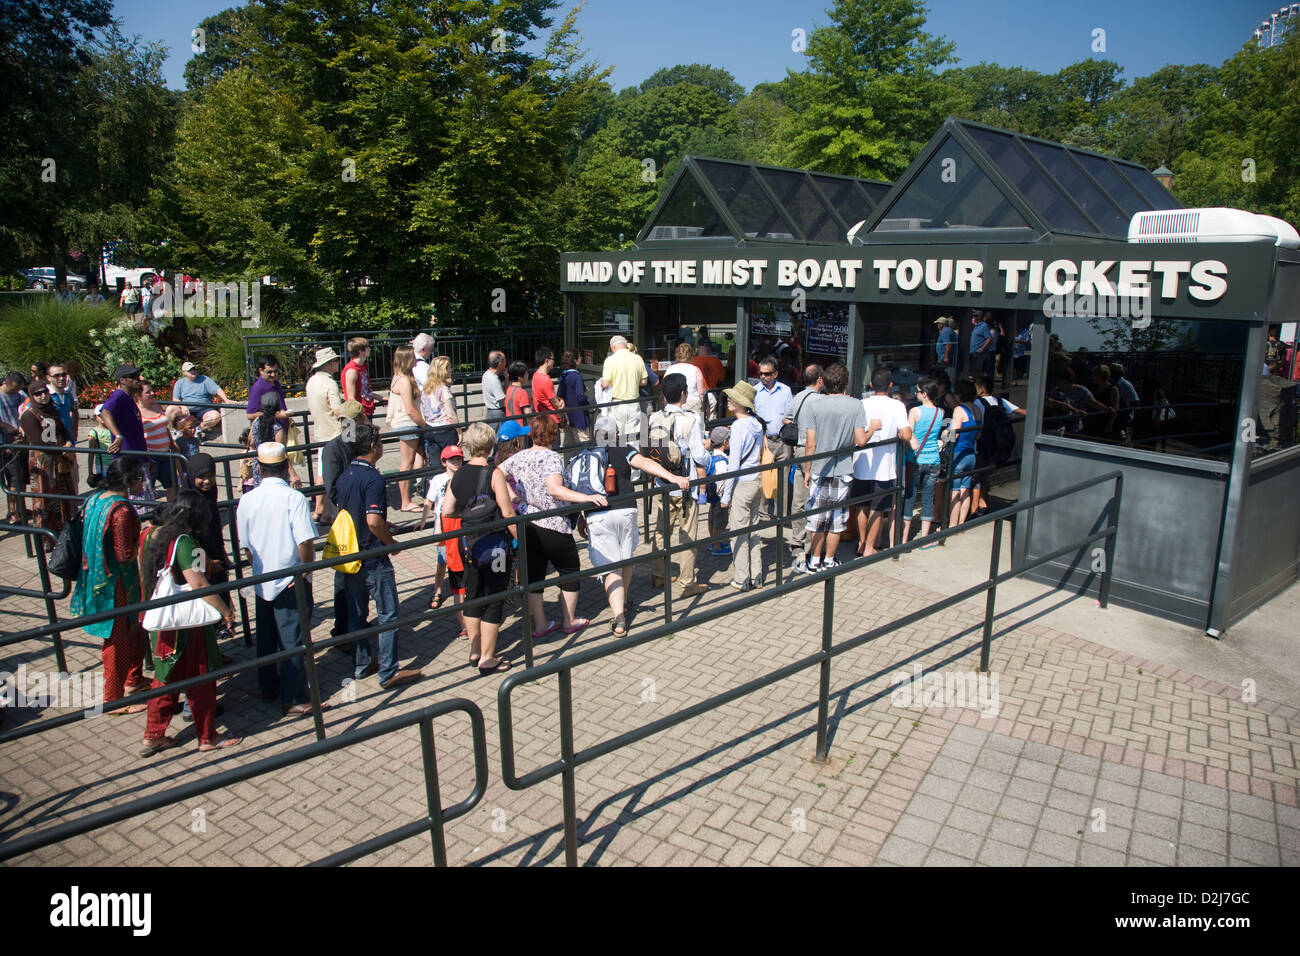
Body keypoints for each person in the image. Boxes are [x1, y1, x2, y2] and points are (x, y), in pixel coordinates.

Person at [138, 491, 241, 757]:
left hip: (163, 622)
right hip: (188, 626)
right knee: (201, 678)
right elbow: (199, 584)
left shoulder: (151, 535)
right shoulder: (186, 542)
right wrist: (226, 611)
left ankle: (153, 736)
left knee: (165, 679)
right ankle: (207, 736)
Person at [583, 416, 689, 636]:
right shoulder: (623, 449)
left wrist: (578, 518)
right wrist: (672, 477)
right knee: (626, 559)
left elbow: (577, 487)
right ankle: (622, 602)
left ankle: (619, 617)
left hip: (598, 515)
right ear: (616, 435)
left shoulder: (585, 455)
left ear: (595, 435)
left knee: (611, 567)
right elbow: (645, 463)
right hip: (626, 511)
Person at [336, 424, 423, 690]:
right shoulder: (373, 478)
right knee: (388, 614)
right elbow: (373, 520)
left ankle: (362, 664)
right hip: (373, 555)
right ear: (374, 446)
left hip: (350, 555)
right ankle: (388, 672)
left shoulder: (345, 474)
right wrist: (391, 543)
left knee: (357, 613)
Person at [235, 442, 319, 715]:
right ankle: (294, 697)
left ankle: (268, 687)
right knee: (293, 638)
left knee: (267, 638)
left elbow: (246, 547)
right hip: (291, 577)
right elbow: (305, 542)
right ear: (285, 467)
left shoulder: (247, 499)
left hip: (262, 578)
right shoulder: (294, 498)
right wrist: (305, 571)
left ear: (259, 468)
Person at [499, 413, 597, 636]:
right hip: (553, 523)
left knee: (534, 575)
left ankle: (541, 624)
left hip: (527, 522)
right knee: (570, 569)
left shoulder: (520, 456)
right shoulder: (552, 457)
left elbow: (497, 473)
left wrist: (514, 497)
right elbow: (554, 489)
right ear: (553, 434)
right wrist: (587, 498)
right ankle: (569, 620)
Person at [71, 458, 150, 713]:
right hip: (117, 583)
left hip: (95, 577)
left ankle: (133, 680)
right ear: (128, 481)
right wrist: (145, 537)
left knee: (131, 632)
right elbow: (125, 554)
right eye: (140, 477)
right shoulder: (123, 511)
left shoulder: (96, 498)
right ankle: (113, 700)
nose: (144, 482)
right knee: (117, 639)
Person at [442, 422, 519, 674]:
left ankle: (475, 650)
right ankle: (488, 657)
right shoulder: (493, 473)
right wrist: (522, 542)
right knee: (495, 597)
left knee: (473, 595)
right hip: (495, 546)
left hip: (470, 545)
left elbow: (447, 510)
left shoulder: (459, 474)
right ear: (489, 445)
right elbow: (508, 513)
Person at [644, 373, 710, 597]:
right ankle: (687, 583)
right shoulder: (690, 421)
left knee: (661, 531)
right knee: (688, 534)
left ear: (663, 395)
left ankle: (658, 575)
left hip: (662, 481)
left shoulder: (653, 418)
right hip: (685, 484)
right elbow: (700, 457)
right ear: (684, 394)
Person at [801, 363, 870, 573]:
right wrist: (873, 429)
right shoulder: (856, 405)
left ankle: (814, 560)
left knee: (817, 518)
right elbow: (860, 440)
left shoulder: (814, 406)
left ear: (825, 382)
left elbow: (810, 443)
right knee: (836, 519)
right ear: (844, 383)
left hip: (819, 468)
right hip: (843, 468)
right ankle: (830, 560)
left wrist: (807, 468)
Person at [852, 368, 912, 557]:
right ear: (891, 385)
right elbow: (907, 434)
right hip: (885, 466)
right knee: (878, 507)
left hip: (860, 462)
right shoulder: (897, 406)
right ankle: (869, 546)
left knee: (861, 505)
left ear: (871, 385)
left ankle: (861, 542)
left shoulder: (861, 403)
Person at [717, 381, 766, 590]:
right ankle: (757, 576)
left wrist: (726, 496)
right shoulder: (756, 423)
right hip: (757, 481)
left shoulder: (738, 427)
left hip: (743, 484)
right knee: (754, 531)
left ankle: (741, 578)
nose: (728, 400)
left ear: (741, 403)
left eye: (732, 398)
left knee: (738, 532)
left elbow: (734, 464)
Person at [19, 379, 75, 539]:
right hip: (44, 461)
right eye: (38, 394)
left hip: (60, 458)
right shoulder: (29, 415)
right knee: (46, 498)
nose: (43, 396)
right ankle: (46, 538)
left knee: (64, 495)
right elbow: (38, 441)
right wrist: (61, 451)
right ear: (32, 396)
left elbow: (62, 429)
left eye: (45, 392)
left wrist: (68, 442)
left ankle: (66, 532)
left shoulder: (52, 410)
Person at [784, 364, 824, 568]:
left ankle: (796, 540)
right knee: (814, 498)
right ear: (819, 380)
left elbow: (785, 418)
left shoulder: (798, 397)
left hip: (799, 450)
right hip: (814, 451)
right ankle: (811, 543)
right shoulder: (823, 401)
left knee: (799, 498)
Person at [418, 444, 464, 610]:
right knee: (442, 560)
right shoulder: (438, 480)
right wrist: (424, 520)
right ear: (444, 462)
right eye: (452, 459)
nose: (456, 461)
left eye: (459, 458)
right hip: (443, 526)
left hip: (460, 524)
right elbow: (429, 501)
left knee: (460, 557)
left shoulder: (465, 476)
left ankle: (460, 589)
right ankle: (437, 590)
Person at [386, 344, 428, 513]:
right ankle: (405, 501)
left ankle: (408, 499)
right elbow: (410, 409)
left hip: (404, 423)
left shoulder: (399, 376)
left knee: (409, 463)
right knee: (407, 464)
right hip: (407, 423)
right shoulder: (404, 381)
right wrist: (426, 426)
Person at [305, 347, 345, 521]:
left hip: (320, 431)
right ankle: (329, 511)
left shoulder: (311, 381)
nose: (338, 363)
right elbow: (338, 410)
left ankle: (321, 509)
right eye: (335, 361)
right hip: (334, 433)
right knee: (334, 473)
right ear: (329, 364)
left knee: (322, 471)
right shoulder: (330, 383)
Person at [902, 380, 945, 543]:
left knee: (910, 496)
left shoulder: (914, 411)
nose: (915, 393)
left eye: (918, 391)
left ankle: (905, 538)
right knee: (928, 497)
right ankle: (924, 538)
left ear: (925, 394)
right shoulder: (940, 412)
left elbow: (908, 434)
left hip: (915, 458)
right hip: (934, 458)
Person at [182, 453, 232, 589]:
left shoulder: (210, 493)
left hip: (213, 550)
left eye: (210, 476)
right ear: (192, 476)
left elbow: (215, 525)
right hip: (197, 556)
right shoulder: (187, 501)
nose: (207, 481)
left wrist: (222, 552)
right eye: (201, 477)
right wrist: (208, 563)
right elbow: (188, 538)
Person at [754, 357, 793, 518]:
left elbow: (791, 415)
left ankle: (780, 514)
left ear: (775, 374)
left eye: (767, 374)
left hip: (783, 440)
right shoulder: (755, 391)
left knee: (782, 480)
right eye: (761, 374)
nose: (763, 377)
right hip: (765, 440)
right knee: (764, 477)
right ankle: (763, 514)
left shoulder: (785, 391)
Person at [947, 379, 982, 529]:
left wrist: (945, 433)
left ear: (959, 394)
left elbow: (954, 435)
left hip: (958, 453)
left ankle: (952, 525)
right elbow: (979, 435)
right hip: (971, 453)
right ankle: (961, 523)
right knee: (965, 488)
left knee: (954, 490)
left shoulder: (959, 410)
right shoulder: (976, 409)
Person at [599, 335, 647, 444]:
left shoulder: (610, 360)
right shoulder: (638, 358)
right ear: (625, 345)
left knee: (617, 439)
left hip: (617, 404)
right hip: (634, 403)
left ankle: (620, 460)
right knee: (633, 439)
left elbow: (605, 383)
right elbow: (644, 381)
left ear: (613, 347)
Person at [138, 382, 179, 502]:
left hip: (166, 453)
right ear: (139, 395)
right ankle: (151, 517)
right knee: (148, 489)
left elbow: (164, 427)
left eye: (152, 390)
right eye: (148, 392)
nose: (152, 393)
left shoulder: (156, 405)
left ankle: (172, 512)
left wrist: (172, 443)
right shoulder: (136, 411)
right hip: (151, 456)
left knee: (172, 484)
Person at [99, 363, 147, 460]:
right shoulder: (119, 395)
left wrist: (146, 458)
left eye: (137, 376)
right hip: (126, 459)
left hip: (138, 456)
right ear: (122, 380)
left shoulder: (129, 398)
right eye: (132, 377)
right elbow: (105, 412)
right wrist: (118, 436)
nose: (137, 379)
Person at [171, 362, 231, 436]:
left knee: (215, 416)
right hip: (187, 410)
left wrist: (226, 400)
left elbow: (217, 390)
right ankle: (177, 430)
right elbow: (175, 399)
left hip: (204, 409)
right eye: (190, 370)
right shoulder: (179, 383)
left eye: (194, 369)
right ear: (184, 372)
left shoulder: (205, 379)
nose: (193, 371)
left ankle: (198, 429)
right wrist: (183, 406)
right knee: (170, 409)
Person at [0, 371, 28, 522]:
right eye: (15, 388)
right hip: (5, 442)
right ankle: (12, 512)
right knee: (13, 478)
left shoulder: (19, 394)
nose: (17, 391)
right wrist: (7, 426)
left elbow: (27, 404)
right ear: (6, 383)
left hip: (19, 439)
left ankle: (20, 508)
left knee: (22, 477)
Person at [421, 355, 459, 462]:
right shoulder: (443, 390)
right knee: (452, 460)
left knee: (435, 462)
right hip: (445, 429)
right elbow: (451, 414)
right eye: (449, 367)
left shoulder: (427, 388)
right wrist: (459, 431)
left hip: (430, 427)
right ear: (444, 370)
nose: (451, 370)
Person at [703, 424, 731, 555]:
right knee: (720, 520)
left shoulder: (710, 455)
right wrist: (726, 496)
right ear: (725, 442)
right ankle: (717, 546)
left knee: (712, 516)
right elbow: (722, 480)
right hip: (720, 495)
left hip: (712, 494)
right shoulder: (722, 460)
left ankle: (713, 542)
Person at [557, 350, 590, 446]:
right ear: (575, 360)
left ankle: (569, 462)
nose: (581, 358)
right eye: (579, 357)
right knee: (583, 443)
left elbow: (560, 394)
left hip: (568, 415)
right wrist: (587, 401)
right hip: (579, 416)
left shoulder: (563, 375)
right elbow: (580, 397)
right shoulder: (577, 376)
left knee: (569, 446)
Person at [666, 343, 707, 418]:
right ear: (691, 355)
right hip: (693, 404)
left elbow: (664, 389)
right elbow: (701, 393)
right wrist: (706, 408)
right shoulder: (696, 370)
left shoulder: (669, 369)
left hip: (674, 404)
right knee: (695, 427)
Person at [246, 354, 289, 426]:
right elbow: (250, 415)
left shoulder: (276, 383)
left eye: (275, 371)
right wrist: (276, 415)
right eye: (269, 372)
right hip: (268, 432)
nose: (273, 375)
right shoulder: (258, 388)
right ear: (261, 370)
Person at [341, 337, 376, 421]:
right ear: (361, 351)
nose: (370, 349)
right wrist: (364, 419)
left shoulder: (361, 367)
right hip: (359, 415)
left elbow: (364, 391)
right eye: (367, 348)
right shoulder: (352, 370)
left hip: (366, 410)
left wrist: (380, 398)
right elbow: (351, 399)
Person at [86, 403, 114, 488]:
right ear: (95, 417)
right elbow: (91, 453)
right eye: (100, 416)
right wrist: (90, 472)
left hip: (115, 462)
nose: (103, 418)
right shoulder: (94, 432)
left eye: (105, 415)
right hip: (102, 465)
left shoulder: (114, 430)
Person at [531, 347, 563, 418]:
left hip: (541, 417)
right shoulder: (546, 380)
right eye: (553, 359)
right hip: (551, 419)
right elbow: (556, 404)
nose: (554, 362)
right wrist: (562, 401)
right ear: (547, 360)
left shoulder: (535, 375)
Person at [503, 360, 533, 428]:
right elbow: (528, 413)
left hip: (510, 427)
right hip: (521, 428)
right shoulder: (522, 392)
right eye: (526, 373)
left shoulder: (509, 389)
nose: (528, 375)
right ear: (519, 377)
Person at [481, 351, 507, 423]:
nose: (506, 363)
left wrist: (506, 378)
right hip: (497, 413)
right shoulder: (494, 380)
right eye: (505, 361)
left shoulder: (486, 374)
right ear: (500, 364)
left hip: (490, 412)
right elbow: (502, 399)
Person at [968, 311, 993, 380]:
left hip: (979, 352)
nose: (973, 317)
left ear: (979, 317)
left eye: (975, 316)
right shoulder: (976, 326)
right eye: (973, 316)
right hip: (973, 351)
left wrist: (982, 348)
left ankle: (978, 384)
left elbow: (989, 338)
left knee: (977, 369)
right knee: (973, 369)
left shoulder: (984, 326)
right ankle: (976, 383)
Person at [934, 316, 958, 386]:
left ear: (941, 324)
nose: (937, 325)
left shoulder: (946, 331)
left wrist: (945, 357)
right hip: (943, 357)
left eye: (938, 323)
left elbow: (948, 344)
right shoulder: (948, 331)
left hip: (944, 359)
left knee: (941, 375)